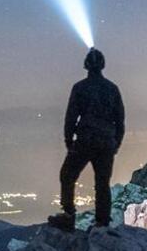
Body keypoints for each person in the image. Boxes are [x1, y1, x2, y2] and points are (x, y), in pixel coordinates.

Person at [51, 47, 125, 229]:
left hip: (85, 140)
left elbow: (71, 117)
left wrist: (69, 141)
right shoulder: (112, 89)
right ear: (102, 65)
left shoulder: (80, 88)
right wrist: (116, 144)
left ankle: (68, 215)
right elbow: (120, 120)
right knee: (102, 183)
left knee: (67, 175)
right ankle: (102, 221)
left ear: (86, 65)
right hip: (106, 142)